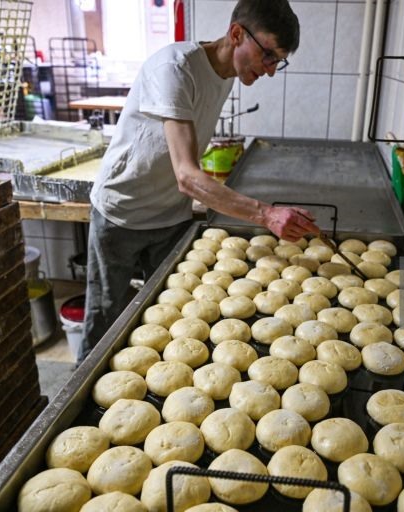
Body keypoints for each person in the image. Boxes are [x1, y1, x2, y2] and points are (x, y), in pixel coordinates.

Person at [80, 0, 319, 364]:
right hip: (122, 213)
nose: (270, 70)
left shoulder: (226, 74)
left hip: (170, 216)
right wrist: (266, 214)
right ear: (237, 33)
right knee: (105, 319)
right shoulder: (175, 69)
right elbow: (188, 177)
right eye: (267, 55)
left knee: (179, 321)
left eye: (277, 61)